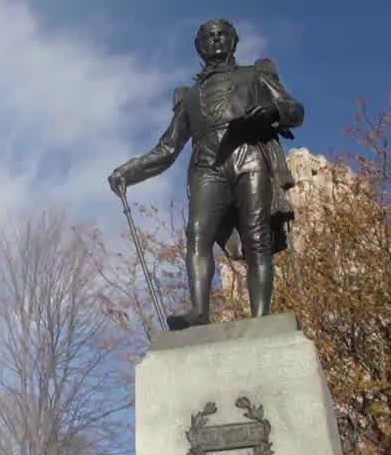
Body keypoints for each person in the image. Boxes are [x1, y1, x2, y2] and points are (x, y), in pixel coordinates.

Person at [109, 19, 304, 330]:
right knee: (197, 235)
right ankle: (200, 311)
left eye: (221, 35)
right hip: (206, 165)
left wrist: (273, 112)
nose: (215, 40)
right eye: (208, 37)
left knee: (257, 237)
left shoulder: (255, 75)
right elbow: (166, 149)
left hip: (249, 155)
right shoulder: (189, 97)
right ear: (199, 47)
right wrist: (128, 171)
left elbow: (294, 110)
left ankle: (261, 319)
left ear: (233, 41)